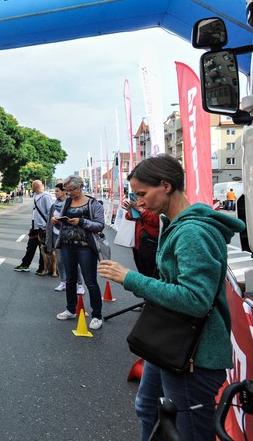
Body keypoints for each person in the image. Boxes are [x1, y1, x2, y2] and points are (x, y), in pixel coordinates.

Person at [99, 155, 244, 441]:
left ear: (165, 185)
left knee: (186, 432)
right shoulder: (176, 224)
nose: (139, 203)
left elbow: (195, 299)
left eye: (142, 194)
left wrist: (130, 278)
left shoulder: (192, 232)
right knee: (148, 410)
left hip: (193, 355)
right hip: (170, 345)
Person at [53, 174, 104, 330]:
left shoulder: (93, 204)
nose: (69, 194)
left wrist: (81, 221)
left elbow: (100, 225)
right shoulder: (67, 202)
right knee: (70, 279)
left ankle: (97, 315)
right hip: (68, 245)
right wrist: (57, 222)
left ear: (81, 186)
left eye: (72, 190)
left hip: (86, 247)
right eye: (67, 191)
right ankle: (71, 309)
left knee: (90, 282)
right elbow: (61, 226)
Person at [48, 183, 85, 293]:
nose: (55, 193)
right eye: (55, 191)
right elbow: (49, 220)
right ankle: (63, 282)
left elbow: (78, 218)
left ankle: (80, 284)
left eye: (57, 191)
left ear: (64, 191)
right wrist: (53, 221)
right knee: (60, 260)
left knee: (73, 261)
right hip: (56, 234)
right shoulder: (54, 205)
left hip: (69, 235)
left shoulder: (72, 203)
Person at [14, 180, 53, 273]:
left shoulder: (46, 197)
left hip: (42, 227)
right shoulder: (36, 196)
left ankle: (42, 268)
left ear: (36, 186)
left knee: (42, 249)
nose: (31, 187)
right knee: (30, 247)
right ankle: (25, 264)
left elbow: (50, 212)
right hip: (35, 226)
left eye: (32, 186)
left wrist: (48, 227)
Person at [123, 192, 160, 278]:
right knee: (142, 272)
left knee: (151, 274)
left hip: (150, 243)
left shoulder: (156, 201)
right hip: (138, 243)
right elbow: (131, 217)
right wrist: (131, 211)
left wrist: (139, 209)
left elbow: (155, 220)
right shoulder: (141, 202)